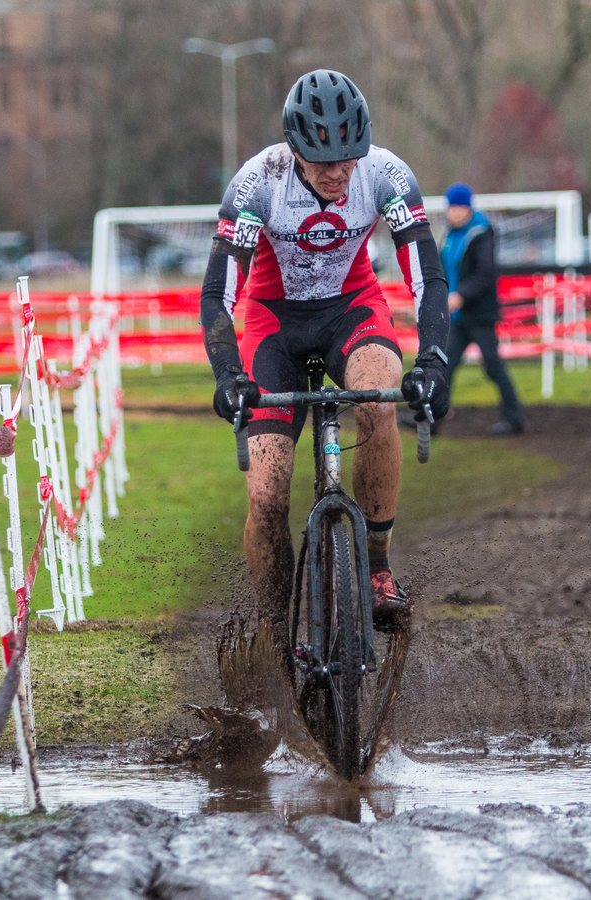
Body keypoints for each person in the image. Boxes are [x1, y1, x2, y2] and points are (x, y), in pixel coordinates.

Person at [199, 69, 450, 634]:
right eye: (322, 159)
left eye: (348, 157)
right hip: (274, 323)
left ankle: (379, 564)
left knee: (379, 402)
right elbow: (218, 294)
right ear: (294, 149)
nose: (338, 171)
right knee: (267, 494)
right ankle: (274, 624)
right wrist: (228, 372)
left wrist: (434, 361)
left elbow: (428, 278)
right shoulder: (257, 181)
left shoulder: (385, 174)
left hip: (350, 310)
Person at [435, 182, 525, 435]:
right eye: (451, 207)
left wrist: (461, 295)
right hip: (459, 316)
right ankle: (431, 420)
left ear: (467, 208)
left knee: (492, 366)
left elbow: (485, 274)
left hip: (480, 314)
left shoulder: (481, 233)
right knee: (445, 365)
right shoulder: (450, 236)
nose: (453, 212)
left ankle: (514, 418)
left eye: (458, 207)